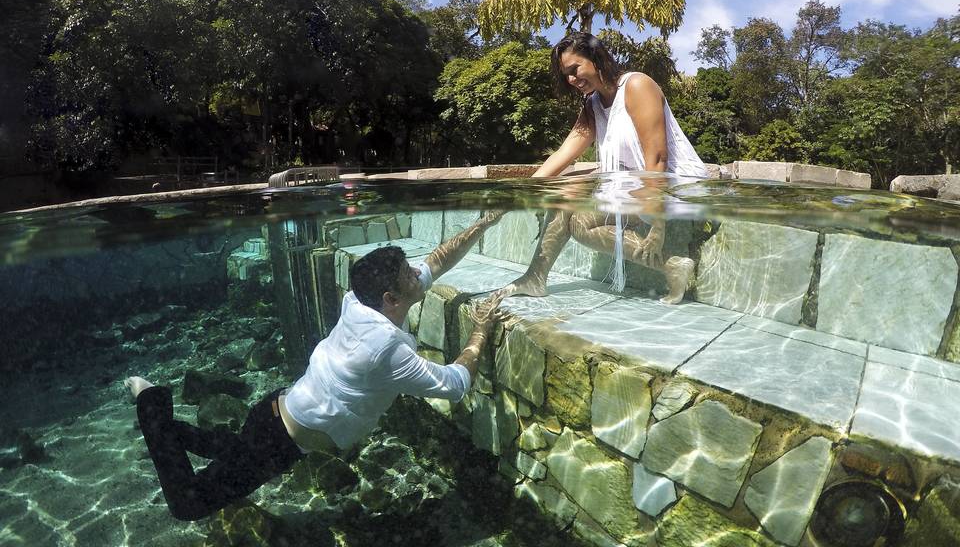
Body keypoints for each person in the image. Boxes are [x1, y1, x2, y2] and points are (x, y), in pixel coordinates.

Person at [125, 210, 506, 521]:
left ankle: (170, 427)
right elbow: (456, 383)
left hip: (276, 416)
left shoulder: (361, 299)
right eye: (410, 273)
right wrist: (480, 329)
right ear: (392, 297)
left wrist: (484, 221)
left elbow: (437, 261)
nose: (417, 274)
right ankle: (150, 403)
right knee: (189, 506)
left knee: (230, 448)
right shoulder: (386, 351)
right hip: (279, 439)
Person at [505, 31, 707, 303]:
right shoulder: (593, 104)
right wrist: (518, 192)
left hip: (675, 184)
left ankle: (534, 278)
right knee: (573, 212)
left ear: (596, 58)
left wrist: (658, 227)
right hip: (637, 184)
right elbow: (565, 152)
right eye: (566, 74)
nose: (571, 79)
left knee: (573, 193)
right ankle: (672, 266)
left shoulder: (637, 86)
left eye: (575, 69)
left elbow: (658, 157)